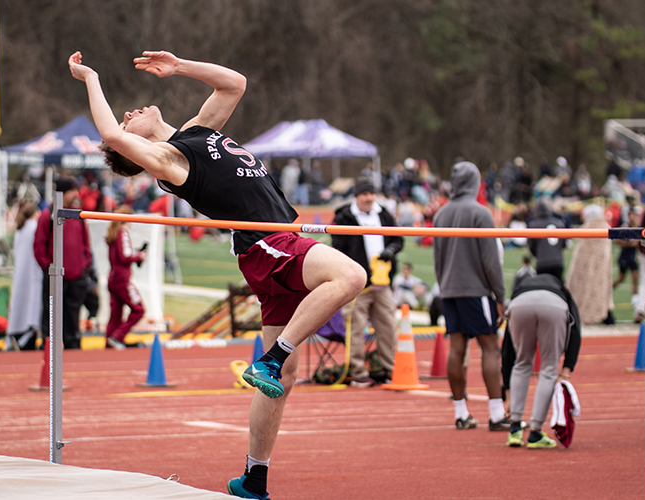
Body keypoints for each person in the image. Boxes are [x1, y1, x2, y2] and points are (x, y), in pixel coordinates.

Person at [68, 50, 365, 499]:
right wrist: (90, 77)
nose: (131, 113)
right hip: (270, 244)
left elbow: (235, 84)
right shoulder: (169, 162)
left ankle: (253, 478)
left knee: (281, 384)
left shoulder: (195, 133)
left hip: (271, 247)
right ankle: (271, 356)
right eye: (130, 121)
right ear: (136, 148)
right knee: (351, 276)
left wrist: (179, 66)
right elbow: (110, 131)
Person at [432, 161, 508, 431]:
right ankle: (497, 413)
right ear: (475, 183)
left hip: (450, 290)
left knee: (457, 348)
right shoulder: (481, 213)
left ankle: (460, 413)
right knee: (490, 347)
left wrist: (446, 287)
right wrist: (500, 297)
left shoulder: (440, 215)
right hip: (477, 292)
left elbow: (437, 260)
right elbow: (491, 262)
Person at [332, 177, 404, 386]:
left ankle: (391, 369)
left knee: (388, 327)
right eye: (365, 194)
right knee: (356, 329)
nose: (369, 198)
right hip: (357, 287)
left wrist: (390, 251)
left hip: (382, 284)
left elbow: (399, 239)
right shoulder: (344, 217)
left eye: (372, 193)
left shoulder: (383, 214)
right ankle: (358, 371)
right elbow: (337, 249)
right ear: (357, 196)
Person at [502, 273, 581, 448]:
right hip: (553, 304)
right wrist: (567, 369)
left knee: (522, 363)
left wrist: (507, 394)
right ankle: (535, 432)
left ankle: (514, 428)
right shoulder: (562, 289)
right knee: (549, 368)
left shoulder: (522, 286)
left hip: (519, 303)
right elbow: (575, 331)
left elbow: (507, 350)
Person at [33, 176, 93, 350]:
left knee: (73, 314)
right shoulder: (48, 216)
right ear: (63, 193)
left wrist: (85, 266)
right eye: (72, 191)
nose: (76, 194)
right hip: (55, 274)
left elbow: (85, 243)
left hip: (77, 275)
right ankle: (48, 344)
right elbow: (39, 245)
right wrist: (47, 267)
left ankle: (73, 342)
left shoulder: (78, 215)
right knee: (51, 313)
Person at [105, 205, 146, 349]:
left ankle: (110, 339)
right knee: (139, 309)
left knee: (116, 314)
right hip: (122, 279)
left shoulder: (113, 234)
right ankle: (117, 336)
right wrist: (140, 256)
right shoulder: (122, 233)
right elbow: (125, 256)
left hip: (113, 278)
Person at [566, 205, 614, 325]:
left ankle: (582, 314)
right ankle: (605, 315)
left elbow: (579, 255)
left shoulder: (586, 228)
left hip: (588, 270)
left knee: (582, 288)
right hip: (600, 270)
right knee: (601, 288)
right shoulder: (605, 228)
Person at [6, 203, 42, 351]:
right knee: (32, 308)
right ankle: (26, 337)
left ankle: (19, 335)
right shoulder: (33, 228)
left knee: (21, 305)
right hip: (32, 274)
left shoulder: (20, 230)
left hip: (20, 274)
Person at [527, 199, 567, 283]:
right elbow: (564, 243)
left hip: (542, 262)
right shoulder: (558, 223)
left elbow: (531, 246)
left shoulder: (534, 225)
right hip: (558, 261)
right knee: (559, 287)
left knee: (544, 288)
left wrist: (538, 254)